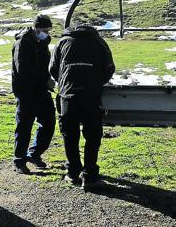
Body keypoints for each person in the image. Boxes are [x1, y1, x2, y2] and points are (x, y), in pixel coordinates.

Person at [49, 24, 115, 190]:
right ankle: (90, 176)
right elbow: (109, 67)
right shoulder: (99, 42)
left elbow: (52, 68)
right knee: (92, 136)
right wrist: (97, 82)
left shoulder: (62, 42)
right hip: (91, 97)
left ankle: (72, 172)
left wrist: (64, 83)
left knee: (69, 135)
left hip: (67, 97)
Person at [11, 14, 56, 174]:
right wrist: (45, 80)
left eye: (48, 30)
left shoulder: (43, 42)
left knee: (49, 123)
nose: (47, 33)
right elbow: (23, 69)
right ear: (36, 28)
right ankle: (19, 160)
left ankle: (34, 153)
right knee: (24, 126)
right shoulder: (22, 43)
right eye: (44, 29)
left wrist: (47, 79)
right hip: (26, 92)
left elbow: (44, 65)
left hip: (41, 90)